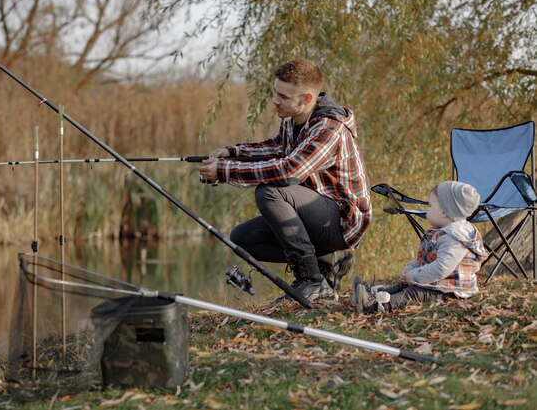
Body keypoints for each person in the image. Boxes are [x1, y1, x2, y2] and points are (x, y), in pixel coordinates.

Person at [198, 59, 372, 301]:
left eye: (283, 96)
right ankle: (326, 262)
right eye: (275, 92)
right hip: (316, 212)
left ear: (307, 99)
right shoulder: (293, 120)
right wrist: (232, 152)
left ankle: (311, 280)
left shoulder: (329, 128)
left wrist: (225, 171)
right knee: (242, 239)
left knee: (270, 191)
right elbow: (277, 148)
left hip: (344, 221)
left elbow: (289, 170)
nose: (275, 100)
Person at [352, 181, 487, 313]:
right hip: (439, 282)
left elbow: (441, 268)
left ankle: (376, 306)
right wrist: (410, 268)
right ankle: (375, 295)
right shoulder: (441, 231)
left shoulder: (454, 238)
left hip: (452, 289)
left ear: (444, 212)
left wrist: (413, 276)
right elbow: (427, 259)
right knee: (404, 285)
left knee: (412, 292)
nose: (426, 208)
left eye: (430, 205)